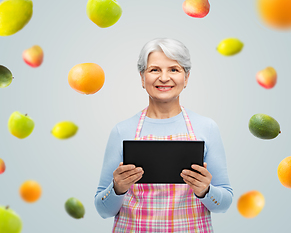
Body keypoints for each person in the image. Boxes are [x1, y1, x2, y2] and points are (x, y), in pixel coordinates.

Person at [94, 38, 233, 232]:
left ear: (186, 78)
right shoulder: (122, 131)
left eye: (174, 69)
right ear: (142, 78)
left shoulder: (207, 128)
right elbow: (103, 210)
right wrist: (117, 188)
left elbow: (224, 204)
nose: (164, 78)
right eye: (154, 70)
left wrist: (205, 191)